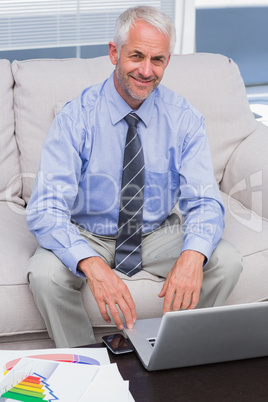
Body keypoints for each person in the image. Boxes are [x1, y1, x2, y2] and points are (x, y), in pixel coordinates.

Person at [26, 6, 243, 348]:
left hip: (155, 231)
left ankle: (176, 352)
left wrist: (192, 256)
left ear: (167, 62)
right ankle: (88, 366)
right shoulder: (75, 118)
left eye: (157, 60)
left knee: (225, 260)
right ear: (114, 52)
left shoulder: (185, 119)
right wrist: (92, 266)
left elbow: (204, 201)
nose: (146, 70)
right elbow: (46, 208)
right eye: (136, 56)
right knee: (44, 274)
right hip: (87, 231)